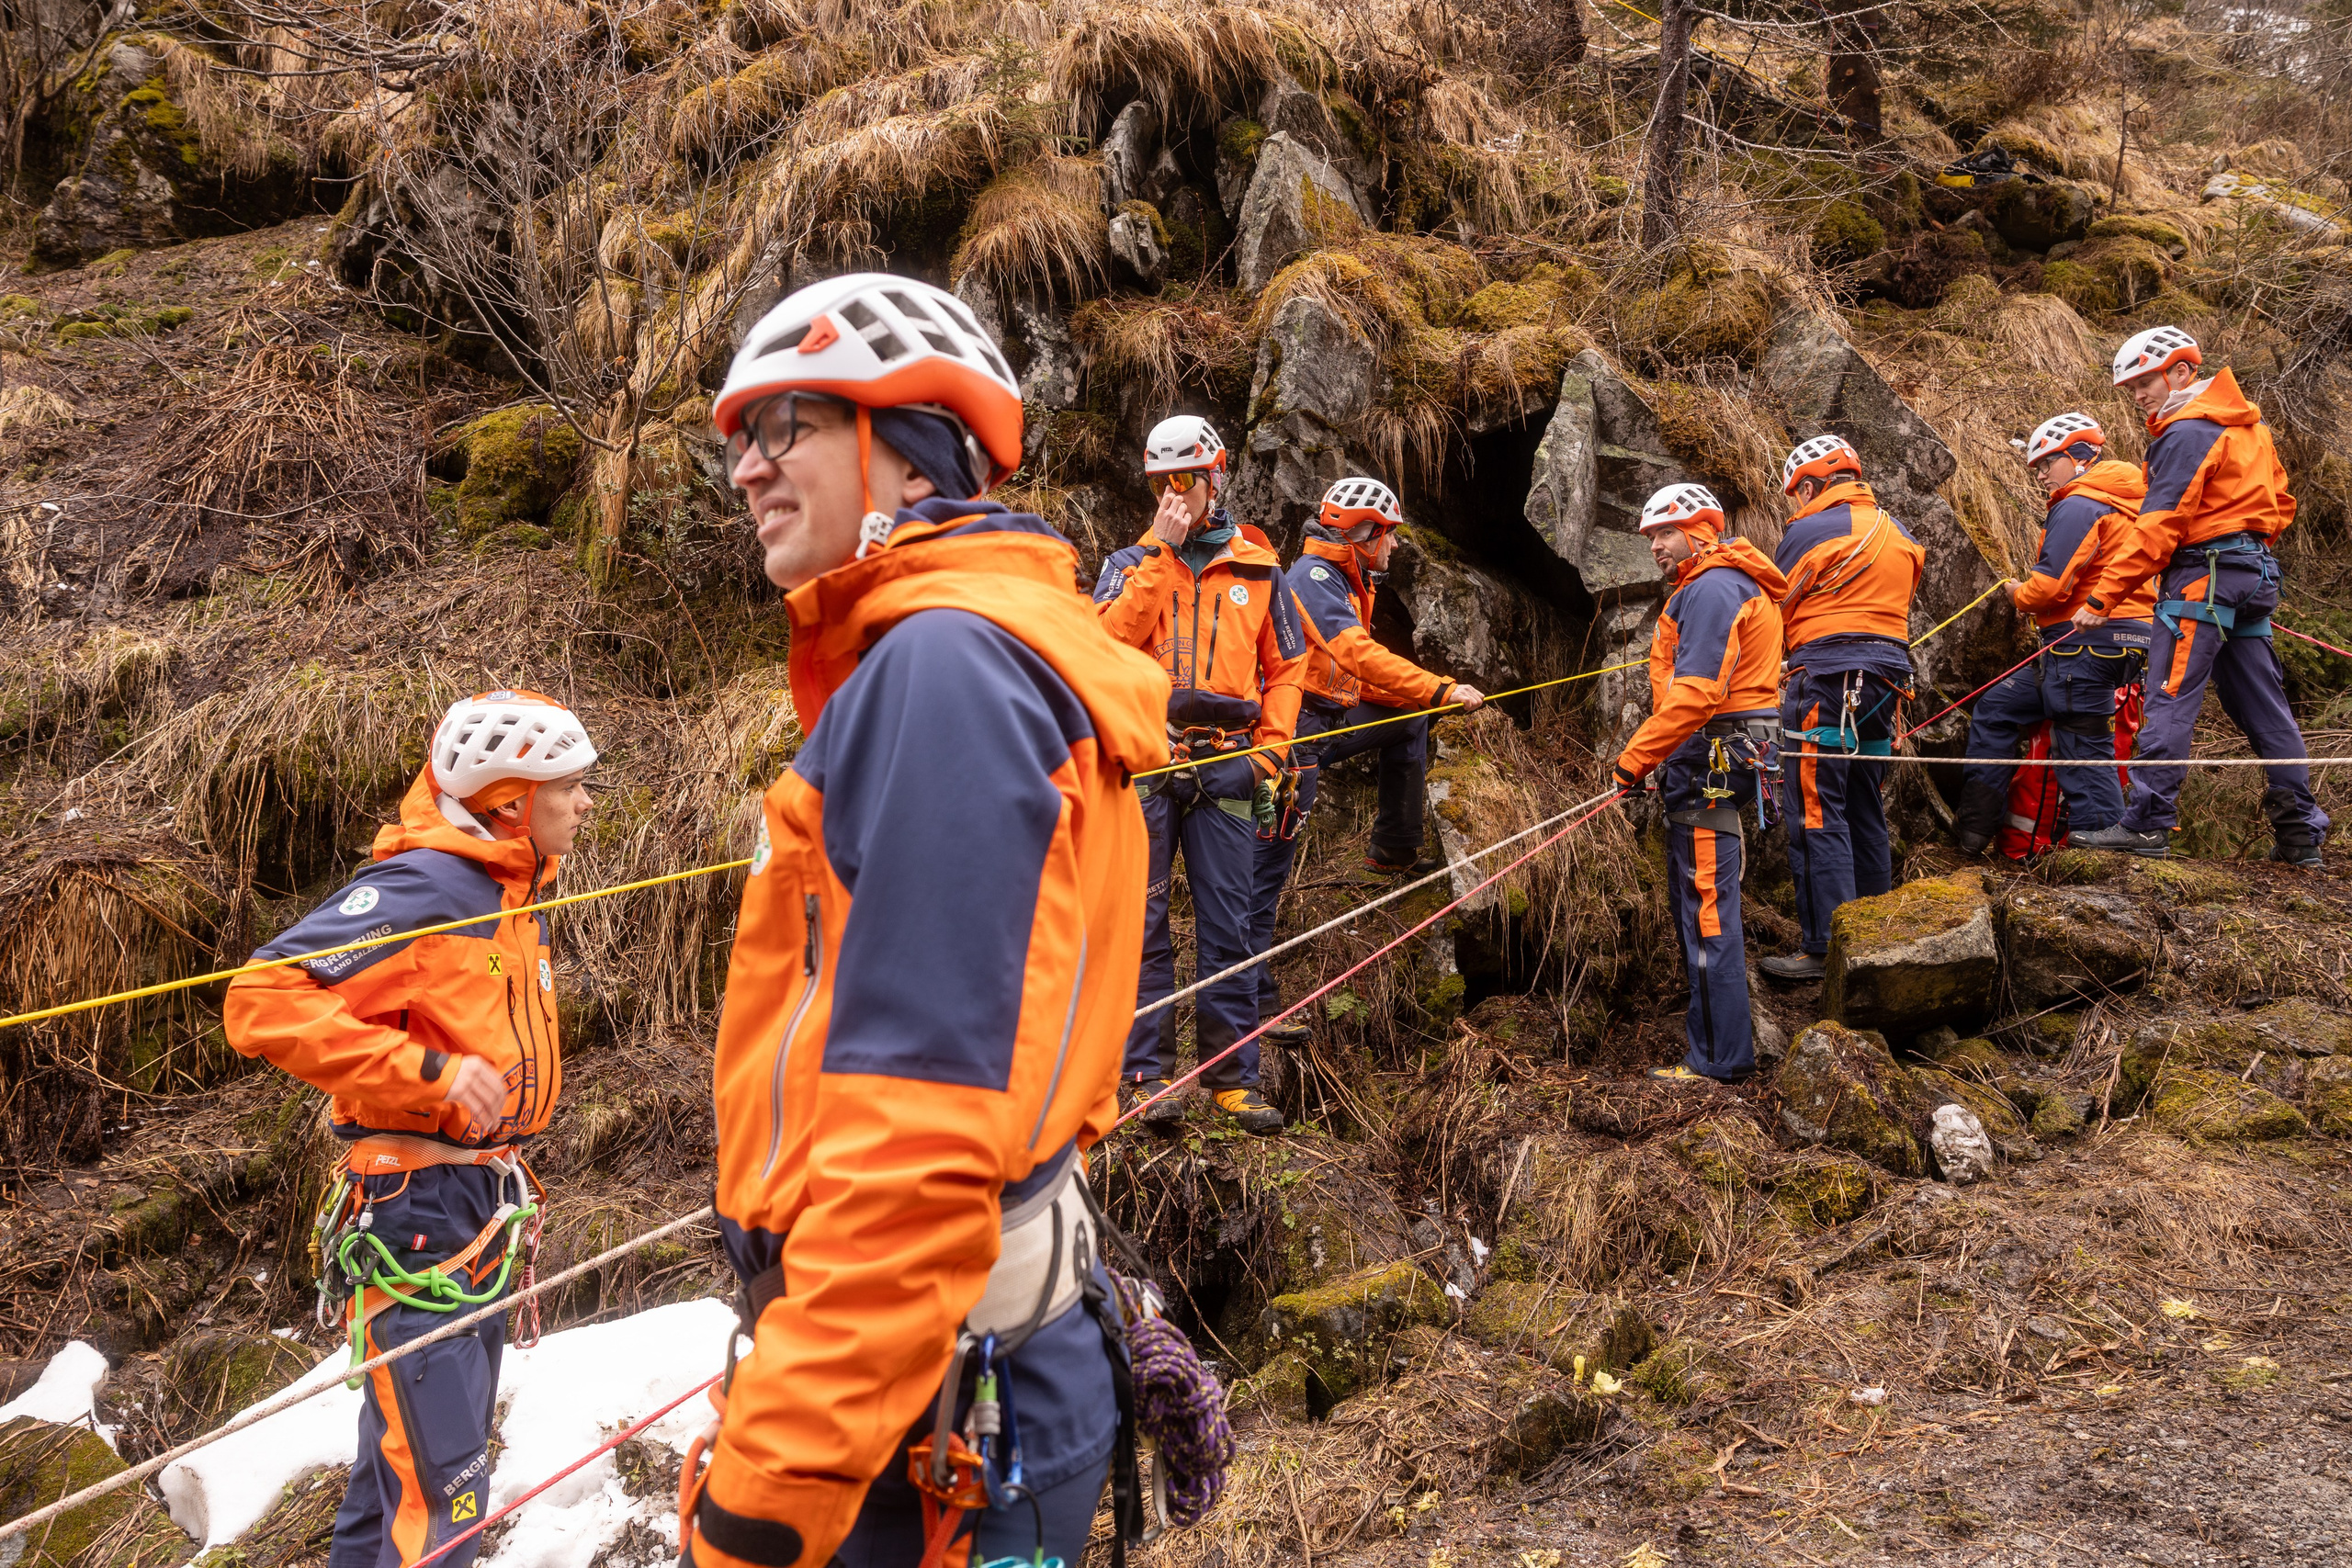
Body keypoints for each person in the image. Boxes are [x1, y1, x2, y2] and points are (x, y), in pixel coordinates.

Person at [680, 273, 1168, 1568]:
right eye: (738, 438)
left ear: (903, 441)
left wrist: (766, 1498)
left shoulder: (944, 671)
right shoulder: (994, 647)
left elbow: (914, 1145)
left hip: (924, 1407)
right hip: (970, 1365)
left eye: (784, 423)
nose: (746, 467)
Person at [223, 690, 597, 1568]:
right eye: (570, 787)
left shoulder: (510, 888)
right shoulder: (429, 886)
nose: (585, 803)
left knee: (393, 1481)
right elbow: (262, 1000)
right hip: (416, 1209)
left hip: (474, 1201)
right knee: (444, 1494)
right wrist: (425, 1074)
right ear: (510, 800)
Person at [1094, 414, 1306, 1134]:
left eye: (1186, 480)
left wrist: (1270, 754)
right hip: (1148, 765)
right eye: (1162, 484)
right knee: (1141, 922)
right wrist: (1164, 548)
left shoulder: (1260, 569)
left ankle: (1232, 1079)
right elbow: (1106, 646)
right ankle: (1145, 1075)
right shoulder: (1130, 563)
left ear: (1217, 477)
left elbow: (1288, 668)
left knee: (1230, 925)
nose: (1175, 493)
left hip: (1230, 765)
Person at [2070, 326, 2328, 865]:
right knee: (2264, 706)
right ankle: (2300, 833)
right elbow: (2279, 501)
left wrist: (2102, 601)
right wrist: (2243, 551)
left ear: (2181, 372)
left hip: (2202, 578)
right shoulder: (2249, 426)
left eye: (2145, 381)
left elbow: (2159, 524)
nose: (2138, 395)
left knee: (2170, 695)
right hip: (2253, 575)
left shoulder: (2188, 430)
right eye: (2132, 387)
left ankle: (2146, 825)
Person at [1246, 478, 1485, 1036]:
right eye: (1390, 535)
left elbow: (1350, 672)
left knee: (1409, 720)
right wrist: (1438, 688)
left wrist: (1419, 697)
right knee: (1266, 867)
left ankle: (1394, 850)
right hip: (1292, 732)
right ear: (1364, 533)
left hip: (1324, 719)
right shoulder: (1314, 576)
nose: (1396, 546)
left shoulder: (1346, 578)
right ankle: (1253, 1001)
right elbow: (1355, 652)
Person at [1610, 484, 1786, 1083]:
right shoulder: (1719, 582)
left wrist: (1634, 760)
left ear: (1701, 529)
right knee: (1706, 901)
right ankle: (1719, 1047)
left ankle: (1718, 1059)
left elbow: (1697, 691)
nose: (1654, 545)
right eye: (1650, 536)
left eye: (1664, 532)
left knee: (1708, 909)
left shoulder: (1712, 587)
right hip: (1719, 754)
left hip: (1714, 757)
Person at [1761, 434, 1924, 983]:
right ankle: (1877, 933)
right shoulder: (1899, 532)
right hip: (1886, 680)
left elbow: (1776, 607)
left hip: (1826, 677)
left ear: (1810, 485)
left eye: (1796, 493)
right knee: (1862, 803)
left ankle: (1825, 945)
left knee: (1815, 808)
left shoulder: (1809, 529)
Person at [1952, 413, 2154, 852]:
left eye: (2047, 463)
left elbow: (2048, 587)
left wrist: (2015, 594)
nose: (2041, 474)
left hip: (2085, 644)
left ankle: (2103, 853)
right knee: (1998, 707)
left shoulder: (2080, 503)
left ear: (2079, 457)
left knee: (2082, 746)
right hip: (2120, 641)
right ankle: (1974, 831)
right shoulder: (2131, 505)